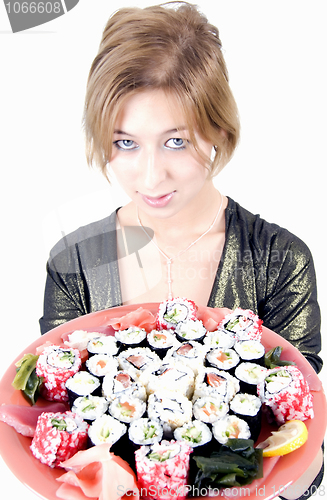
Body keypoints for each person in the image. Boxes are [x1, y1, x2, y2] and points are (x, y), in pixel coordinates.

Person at [39, 2, 323, 496]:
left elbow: (301, 448)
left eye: (175, 142)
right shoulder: (75, 263)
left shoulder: (280, 260)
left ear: (218, 130)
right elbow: (60, 431)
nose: (150, 178)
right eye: (125, 143)